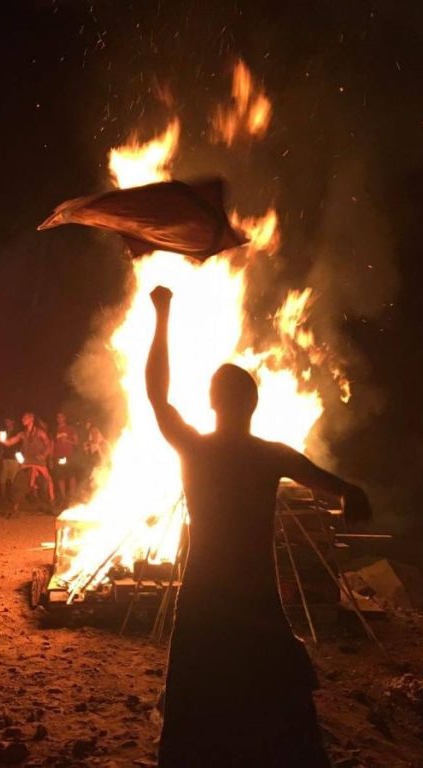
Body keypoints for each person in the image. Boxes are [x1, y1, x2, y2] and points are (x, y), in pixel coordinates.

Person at [145, 286, 370, 768]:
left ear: (212, 402)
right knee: (277, 715)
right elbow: (335, 485)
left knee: (196, 708)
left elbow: (156, 394)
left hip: (206, 595)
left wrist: (162, 316)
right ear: (252, 404)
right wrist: (352, 492)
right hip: (254, 598)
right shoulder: (270, 455)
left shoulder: (196, 448)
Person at [0, 412, 53, 515]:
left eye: (25, 417)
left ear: (31, 419)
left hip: (39, 462)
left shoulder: (40, 432)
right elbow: (9, 442)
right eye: (22, 417)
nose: (22, 419)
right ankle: (15, 508)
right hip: (27, 462)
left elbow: (49, 445)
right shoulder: (22, 434)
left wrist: (44, 455)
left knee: (47, 482)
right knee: (19, 483)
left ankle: (51, 505)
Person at [51, 411, 79, 507]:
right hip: (58, 456)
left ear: (65, 418)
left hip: (68, 456)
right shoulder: (54, 430)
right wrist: (51, 457)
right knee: (60, 477)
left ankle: (73, 497)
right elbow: (52, 444)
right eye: (58, 417)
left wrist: (67, 440)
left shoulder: (71, 429)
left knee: (71, 476)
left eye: (61, 417)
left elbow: (76, 442)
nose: (59, 419)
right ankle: (63, 498)